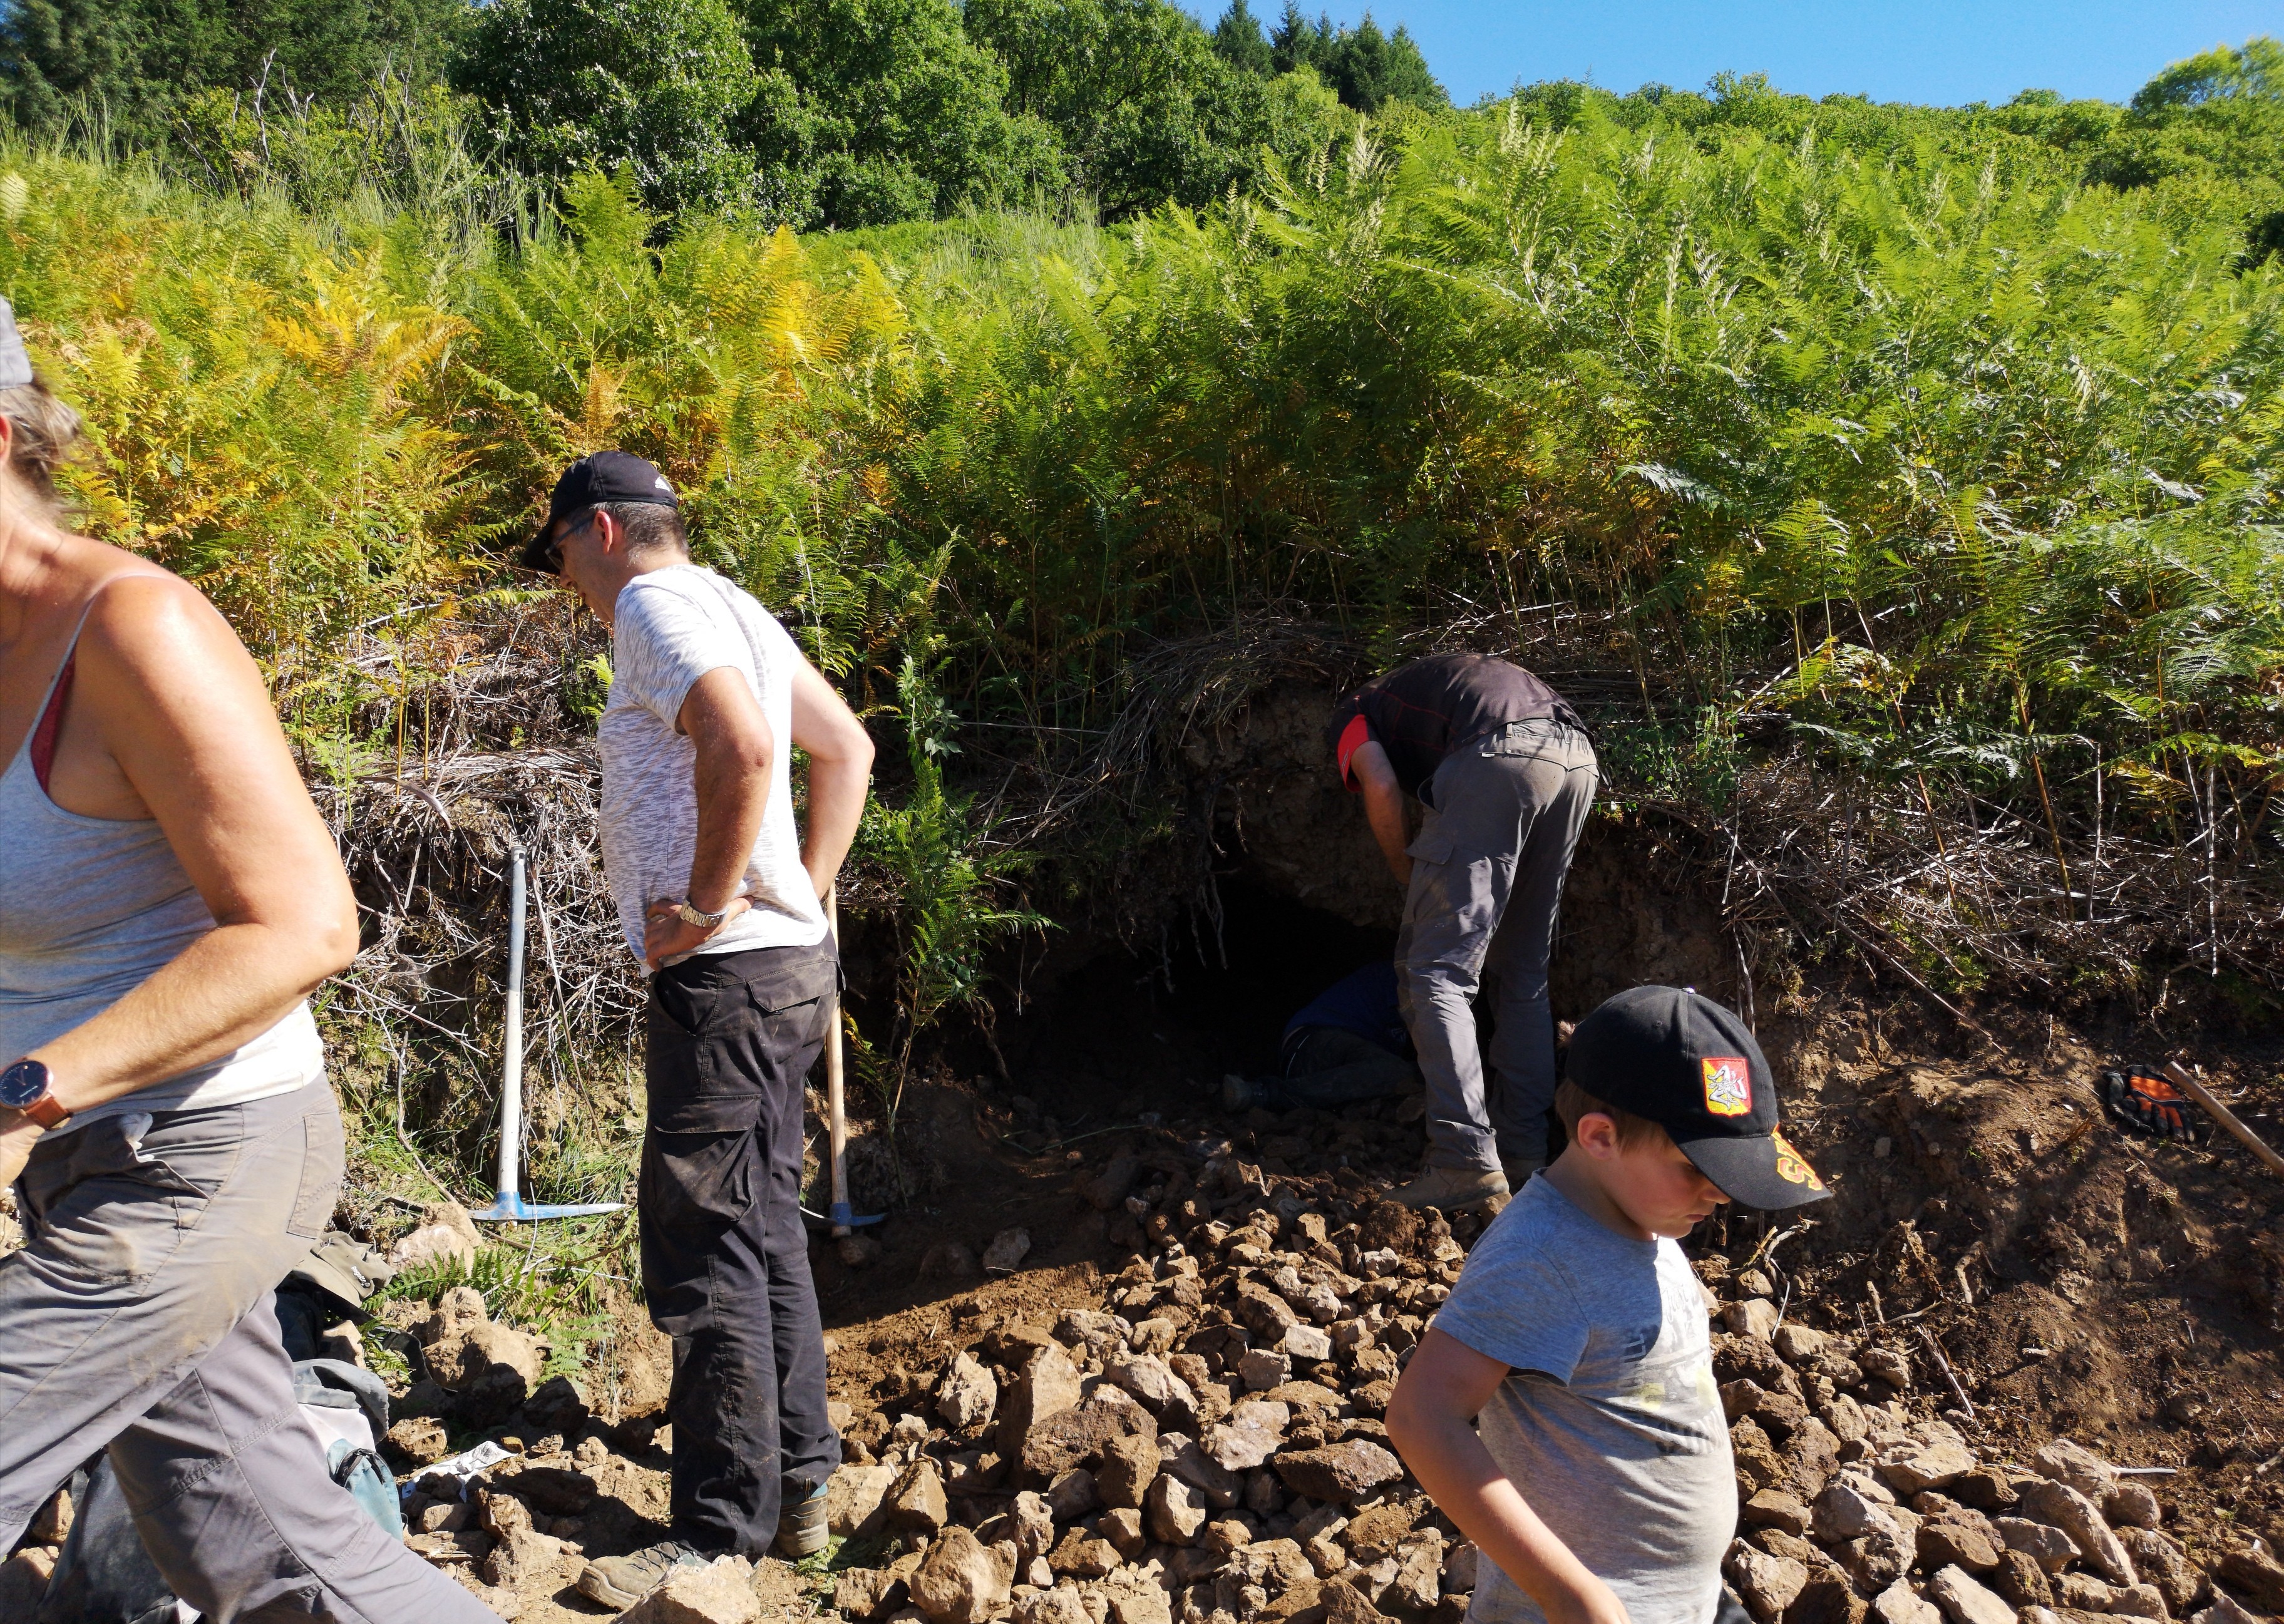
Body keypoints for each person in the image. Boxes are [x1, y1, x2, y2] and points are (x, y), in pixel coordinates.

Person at [0, 300, 504, 1621]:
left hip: (202, 1147)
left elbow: (304, 923)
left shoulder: (130, 629)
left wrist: (22, 1094)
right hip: (77, 1164)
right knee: (265, 1552)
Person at [520, 451, 875, 1608]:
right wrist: (802, 894)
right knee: (763, 1226)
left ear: (602, 531)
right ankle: (798, 1492)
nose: (565, 581)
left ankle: (717, 1534)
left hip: (725, 977)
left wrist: (716, 904)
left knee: (703, 1240)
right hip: (782, 969)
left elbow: (749, 748)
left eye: (561, 553)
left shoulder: (653, 607)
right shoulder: (731, 603)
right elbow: (849, 748)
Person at [1384, 986, 1829, 1624]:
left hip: (1693, 1602)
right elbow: (1421, 1416)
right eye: (1696, 1166)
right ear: (1600, 1136)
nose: (1721, 1194)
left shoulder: (1646, 1217)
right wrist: (1570, 1594)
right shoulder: (1539, 1256)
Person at [1329, 650, 1597, 1208]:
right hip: (1577, 759)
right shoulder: (1445, 681)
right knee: (1523, 975)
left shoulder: (1353, 710)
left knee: (1435, 972)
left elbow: (1379, 783)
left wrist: (1405, 873)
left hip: (1498, 758)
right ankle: (1522, 1151)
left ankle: (1462, 1159)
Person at [1221, 960, 1420, 1114]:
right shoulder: (1403, 974)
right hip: (1312, 1040)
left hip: (1341, 1061)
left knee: (1398, 1076)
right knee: (1401, 1072)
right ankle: (1262, 1094)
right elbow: (1432, 1031)